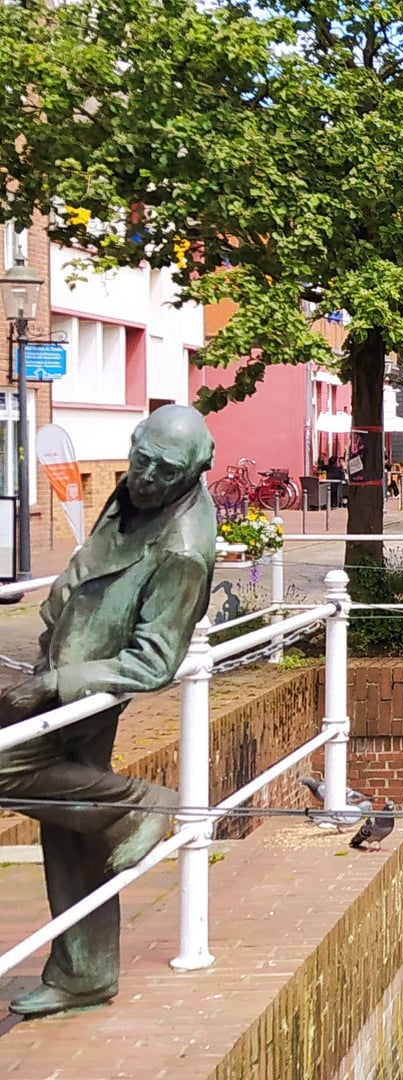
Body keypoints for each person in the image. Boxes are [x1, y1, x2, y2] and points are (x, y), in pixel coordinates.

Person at [0, 406, 217, 1018]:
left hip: (87, 690)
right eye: (140, 457)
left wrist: (59, 681)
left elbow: (154, 661)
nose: (145, 475)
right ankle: (84, 972)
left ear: (197, 471)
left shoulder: (183, 549)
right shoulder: (138, 488)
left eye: (164, 469)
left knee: (7, 770)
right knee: (71, 823)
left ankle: (138, 806)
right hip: (60, 667)